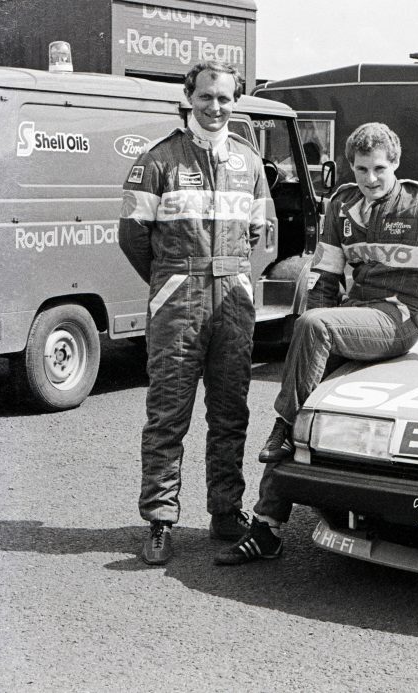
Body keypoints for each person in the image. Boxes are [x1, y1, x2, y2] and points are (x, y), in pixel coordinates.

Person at [215, 122, 418, 565]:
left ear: (395, 164)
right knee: (306, 399)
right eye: (362, 169)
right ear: (350, 167)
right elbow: (323, 279)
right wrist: (314, 320)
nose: (371, 178)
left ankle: (283, 426)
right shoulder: (341, 205)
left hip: (399, 318)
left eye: (380, 168)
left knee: (307, 356)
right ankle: (267, 528)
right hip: (350, 316)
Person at [119, 62, 274, 565]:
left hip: (232, 298)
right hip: (179, 297)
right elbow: (132, 236)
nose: (215, 107)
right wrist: (170, 281)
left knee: (231, 413)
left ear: (236, 100)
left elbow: (257, 233)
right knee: (168, 414)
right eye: (206, 97)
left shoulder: (249, 163)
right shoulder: (158, 159)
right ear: (189, 97)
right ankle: (161, 520)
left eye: (225, 98)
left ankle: (226, 512)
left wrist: (230, 275)